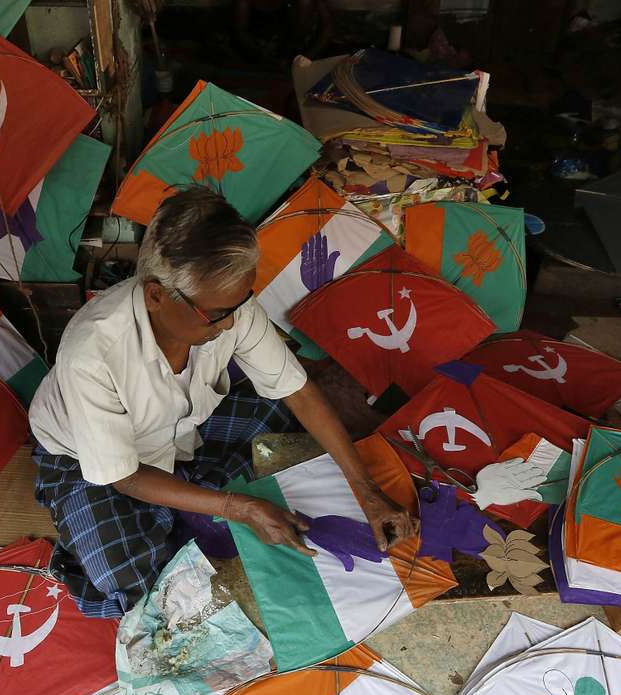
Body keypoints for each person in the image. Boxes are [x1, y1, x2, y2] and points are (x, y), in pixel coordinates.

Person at [29, 186, 415, 618]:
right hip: (90, 459)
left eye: (240, 303)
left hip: (180, 432)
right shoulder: (93, 352)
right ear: (157, 295)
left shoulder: (226, 306)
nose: (231, 322)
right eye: (216, 314)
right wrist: (240, 507)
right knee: (131, 584)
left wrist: (366, 491)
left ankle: (185, 501)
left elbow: (298, 391)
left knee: (280, 407)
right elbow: (126, 478)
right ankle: (173, 507)